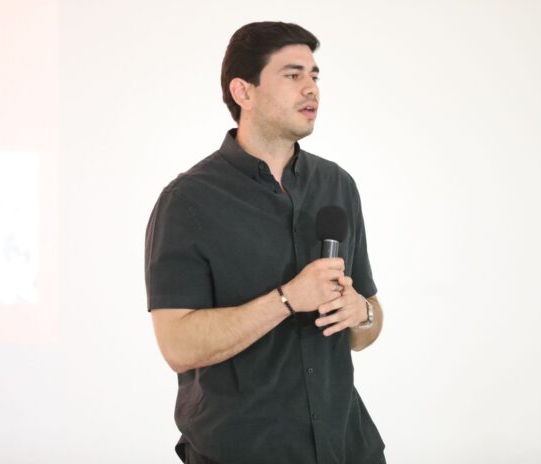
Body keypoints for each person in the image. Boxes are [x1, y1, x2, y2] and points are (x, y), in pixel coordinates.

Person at [145, 21, 385, 464]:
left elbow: (368, 326)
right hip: (241, 451)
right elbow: (177, 345)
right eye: (293, 75)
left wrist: (361, 313)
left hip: (347, 448)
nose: (311, 89)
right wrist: (287, 299)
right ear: (244, 92)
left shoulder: (338, 186)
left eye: (314, 75)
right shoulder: (188, 201)